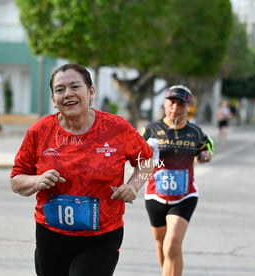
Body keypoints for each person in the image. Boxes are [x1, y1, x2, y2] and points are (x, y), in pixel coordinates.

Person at [10, 63, 155, 276]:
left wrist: (133, 186)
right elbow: (16, 180)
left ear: (91, 91)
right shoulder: (39, 132)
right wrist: (37, 181)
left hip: (101, 237)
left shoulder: (117, 128)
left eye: (75, 86)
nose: (68, 94)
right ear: (53, 99)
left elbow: (147, 161)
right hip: (51, 235)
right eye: (60, 89)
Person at [140, 85, 213, 276]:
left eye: (181, 104)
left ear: (188, 108)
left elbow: (207, 148)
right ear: (165, 104)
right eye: (172, 103)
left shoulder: (195, 132)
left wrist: (206, 155)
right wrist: (144, 152)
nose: (175, 108)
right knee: (161, 245)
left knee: (172, 245)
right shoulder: (151, 129)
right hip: (155, 195)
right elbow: (135, 153)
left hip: (184, 196)